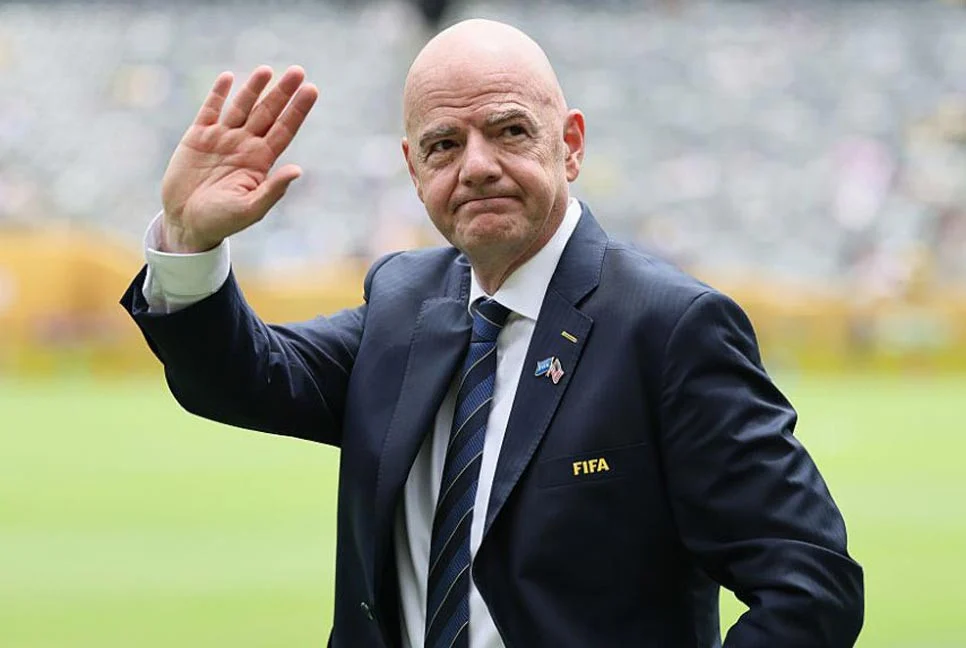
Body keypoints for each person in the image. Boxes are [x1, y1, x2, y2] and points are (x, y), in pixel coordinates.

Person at [120, 18, 864, 648]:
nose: (476, 166)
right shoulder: (402, 301)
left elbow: (810, 584)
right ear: (414, 170)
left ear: (571, 144)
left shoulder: (669, 329)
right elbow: (244, 377)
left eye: (509, 131)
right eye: (443, 145)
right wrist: (189, 242)